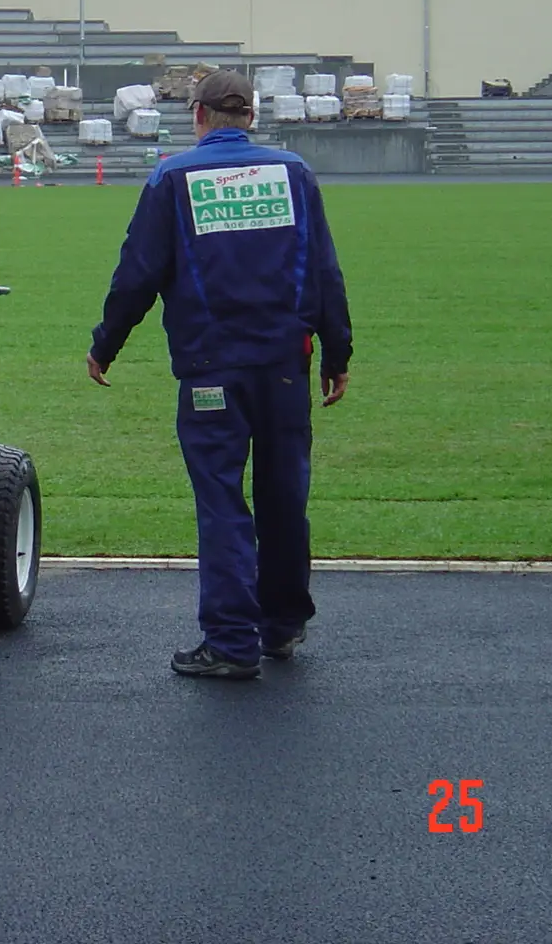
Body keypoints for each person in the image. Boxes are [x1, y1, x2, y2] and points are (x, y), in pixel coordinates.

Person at [85, 69, 352, 680]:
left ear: (198, 116)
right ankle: (282, 624)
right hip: (287, 362)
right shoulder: (294, 172)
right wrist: (338, 353)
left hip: (211, 365)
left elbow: (138, 274)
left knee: (222, 500)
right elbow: (324, 271)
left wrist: (107, 343)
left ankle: (231, 639)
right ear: (251, 116)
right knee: (285, 495)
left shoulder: (173, 176)